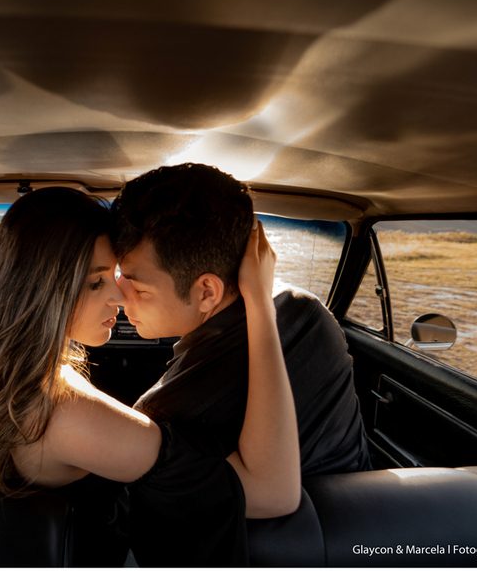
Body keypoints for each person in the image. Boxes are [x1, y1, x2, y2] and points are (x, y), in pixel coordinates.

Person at [0, 186, 299, 566]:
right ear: (43, 289)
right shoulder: (62, 413)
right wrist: (260, 301)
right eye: (95, 281)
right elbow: (272, 493)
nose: (121, 297)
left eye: (116, 275)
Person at [112, 163, 371, 477]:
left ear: (207, 291)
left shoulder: (161, 413)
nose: (119, 296)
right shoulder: (309, 313)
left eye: (138, 286)